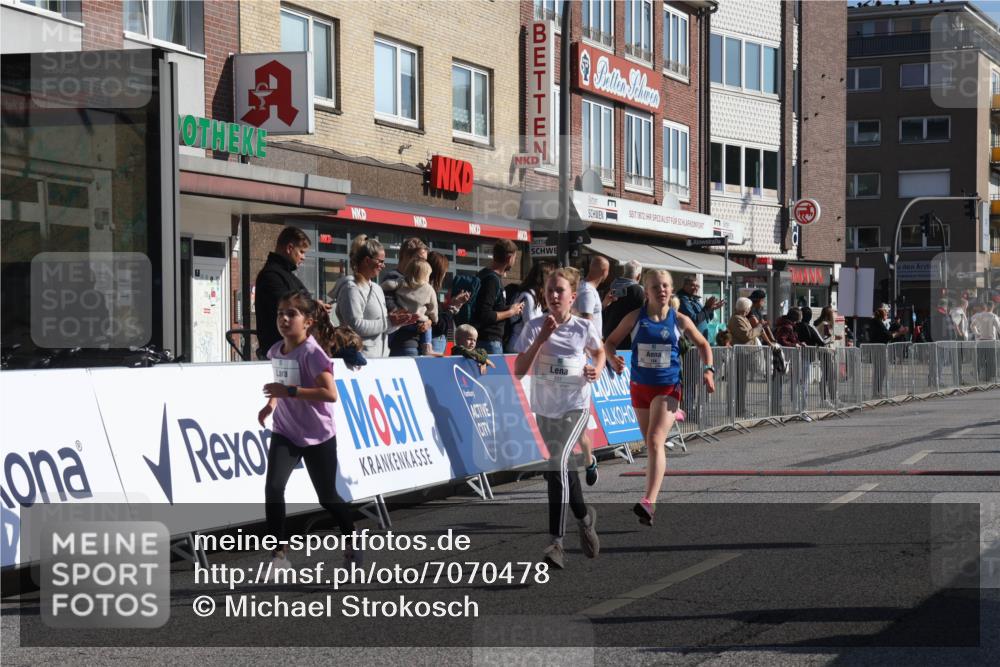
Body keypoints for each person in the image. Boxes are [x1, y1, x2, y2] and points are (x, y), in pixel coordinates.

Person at [604, 270, 715, 527]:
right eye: (656, 286)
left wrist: (709, 370)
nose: (661, 290)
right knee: (650, 444)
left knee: (655, 440)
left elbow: (703, 345)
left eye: (665, 286)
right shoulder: (635, 318)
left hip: (668, 388)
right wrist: (612, 358)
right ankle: (649, 496)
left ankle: (648, 501)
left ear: (671, 290)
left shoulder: (679, 320)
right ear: (647, 291)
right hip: (640, 387)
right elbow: (609, 342)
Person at [258, 290, 357, 572]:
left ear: (309, 321)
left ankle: (351, 543)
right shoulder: (276, 350)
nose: (284, 319)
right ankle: (279, 555)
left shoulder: (313, 353)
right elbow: (282, 381)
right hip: (286, 431)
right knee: (274, 488)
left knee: (327, 497)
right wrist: (272, 403)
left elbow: (330, 394)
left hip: (318, 434)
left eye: (292, 314)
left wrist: (287, 391)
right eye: (280, 313)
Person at [514, 267, 603, 568]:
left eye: (559, 291)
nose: (553, 295)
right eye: (549, 290)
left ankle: (556, 543)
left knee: (557, 461)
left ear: (572, 297)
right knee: (562, 468)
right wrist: (540, 339)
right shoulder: (534, 326)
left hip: (576, 405)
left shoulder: (582, 327)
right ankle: (584, 517)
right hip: (545, 407)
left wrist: (596, 369)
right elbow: (519, 370)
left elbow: (599, 352)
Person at [331, 235, 417, 358]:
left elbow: (383, 328)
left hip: (380, 359)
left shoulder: (377, 288)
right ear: (367, 260)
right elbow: (355, 326)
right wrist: (389, 322)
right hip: (360, 359)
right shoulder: (351, 288)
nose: (383, 265)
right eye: (380, 261)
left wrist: (399, 322)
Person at [254, 226, 314, 359]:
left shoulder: (285, 275)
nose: (303, 257)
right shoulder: (271, 276)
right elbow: (290, 307)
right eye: (301, 251)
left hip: (290, 349)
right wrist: (313, 305)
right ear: (289, 248)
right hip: (280, 353)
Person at [471, 239, 524, 355]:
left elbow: (490, 307)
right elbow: (485, 314)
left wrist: (510, 308)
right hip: (489, 342)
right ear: (509, 258)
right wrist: (510, 312)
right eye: (515, 258)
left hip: (486, 341)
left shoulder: (484, 274)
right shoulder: (492, 280)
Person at [382, 237, 433, 357]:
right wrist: (415, 320)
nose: (423, 264)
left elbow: (429, 308)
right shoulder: (393, 278)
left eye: (425, 260)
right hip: (402, 344)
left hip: (418, 342)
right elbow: (392, 308)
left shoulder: (421, 281)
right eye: (420, 259)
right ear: (405, 256)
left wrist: (428, 321)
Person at [505, 261, 553, 353]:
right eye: (551, 277)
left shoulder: (534, 297)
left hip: (525, 347)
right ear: (543, 278)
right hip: (519, 348)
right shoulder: (528, 297)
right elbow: (532, 325)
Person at [427, 251, 470, 355]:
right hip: (435, 341)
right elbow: (440, 324)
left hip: (439, 340)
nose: (445, 275)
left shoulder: (430, 291)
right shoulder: (428, 291)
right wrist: (452, 307)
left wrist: (454, 304)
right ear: (438, 272)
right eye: (444, 271)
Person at [393, 259, 439, 357]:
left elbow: (388, 286)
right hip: (419, 321)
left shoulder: (401, 282)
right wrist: (434, 319)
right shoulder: (428, 288)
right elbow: (433, 308)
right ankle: (427, 347)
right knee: (428, 326)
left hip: (402, 321)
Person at [602, 259, 645, 346]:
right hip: (626, 338)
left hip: (608, 336)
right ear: (638, 276)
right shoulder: (637, 291)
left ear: (624, 273)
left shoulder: (609, 289)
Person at [574, 255, 609, 337]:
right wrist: (598, 345)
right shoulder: (588, 291)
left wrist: (604, 304)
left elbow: (590, 312)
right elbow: (586, 321)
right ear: (604, 272)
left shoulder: (585, 287)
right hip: (589, 346)